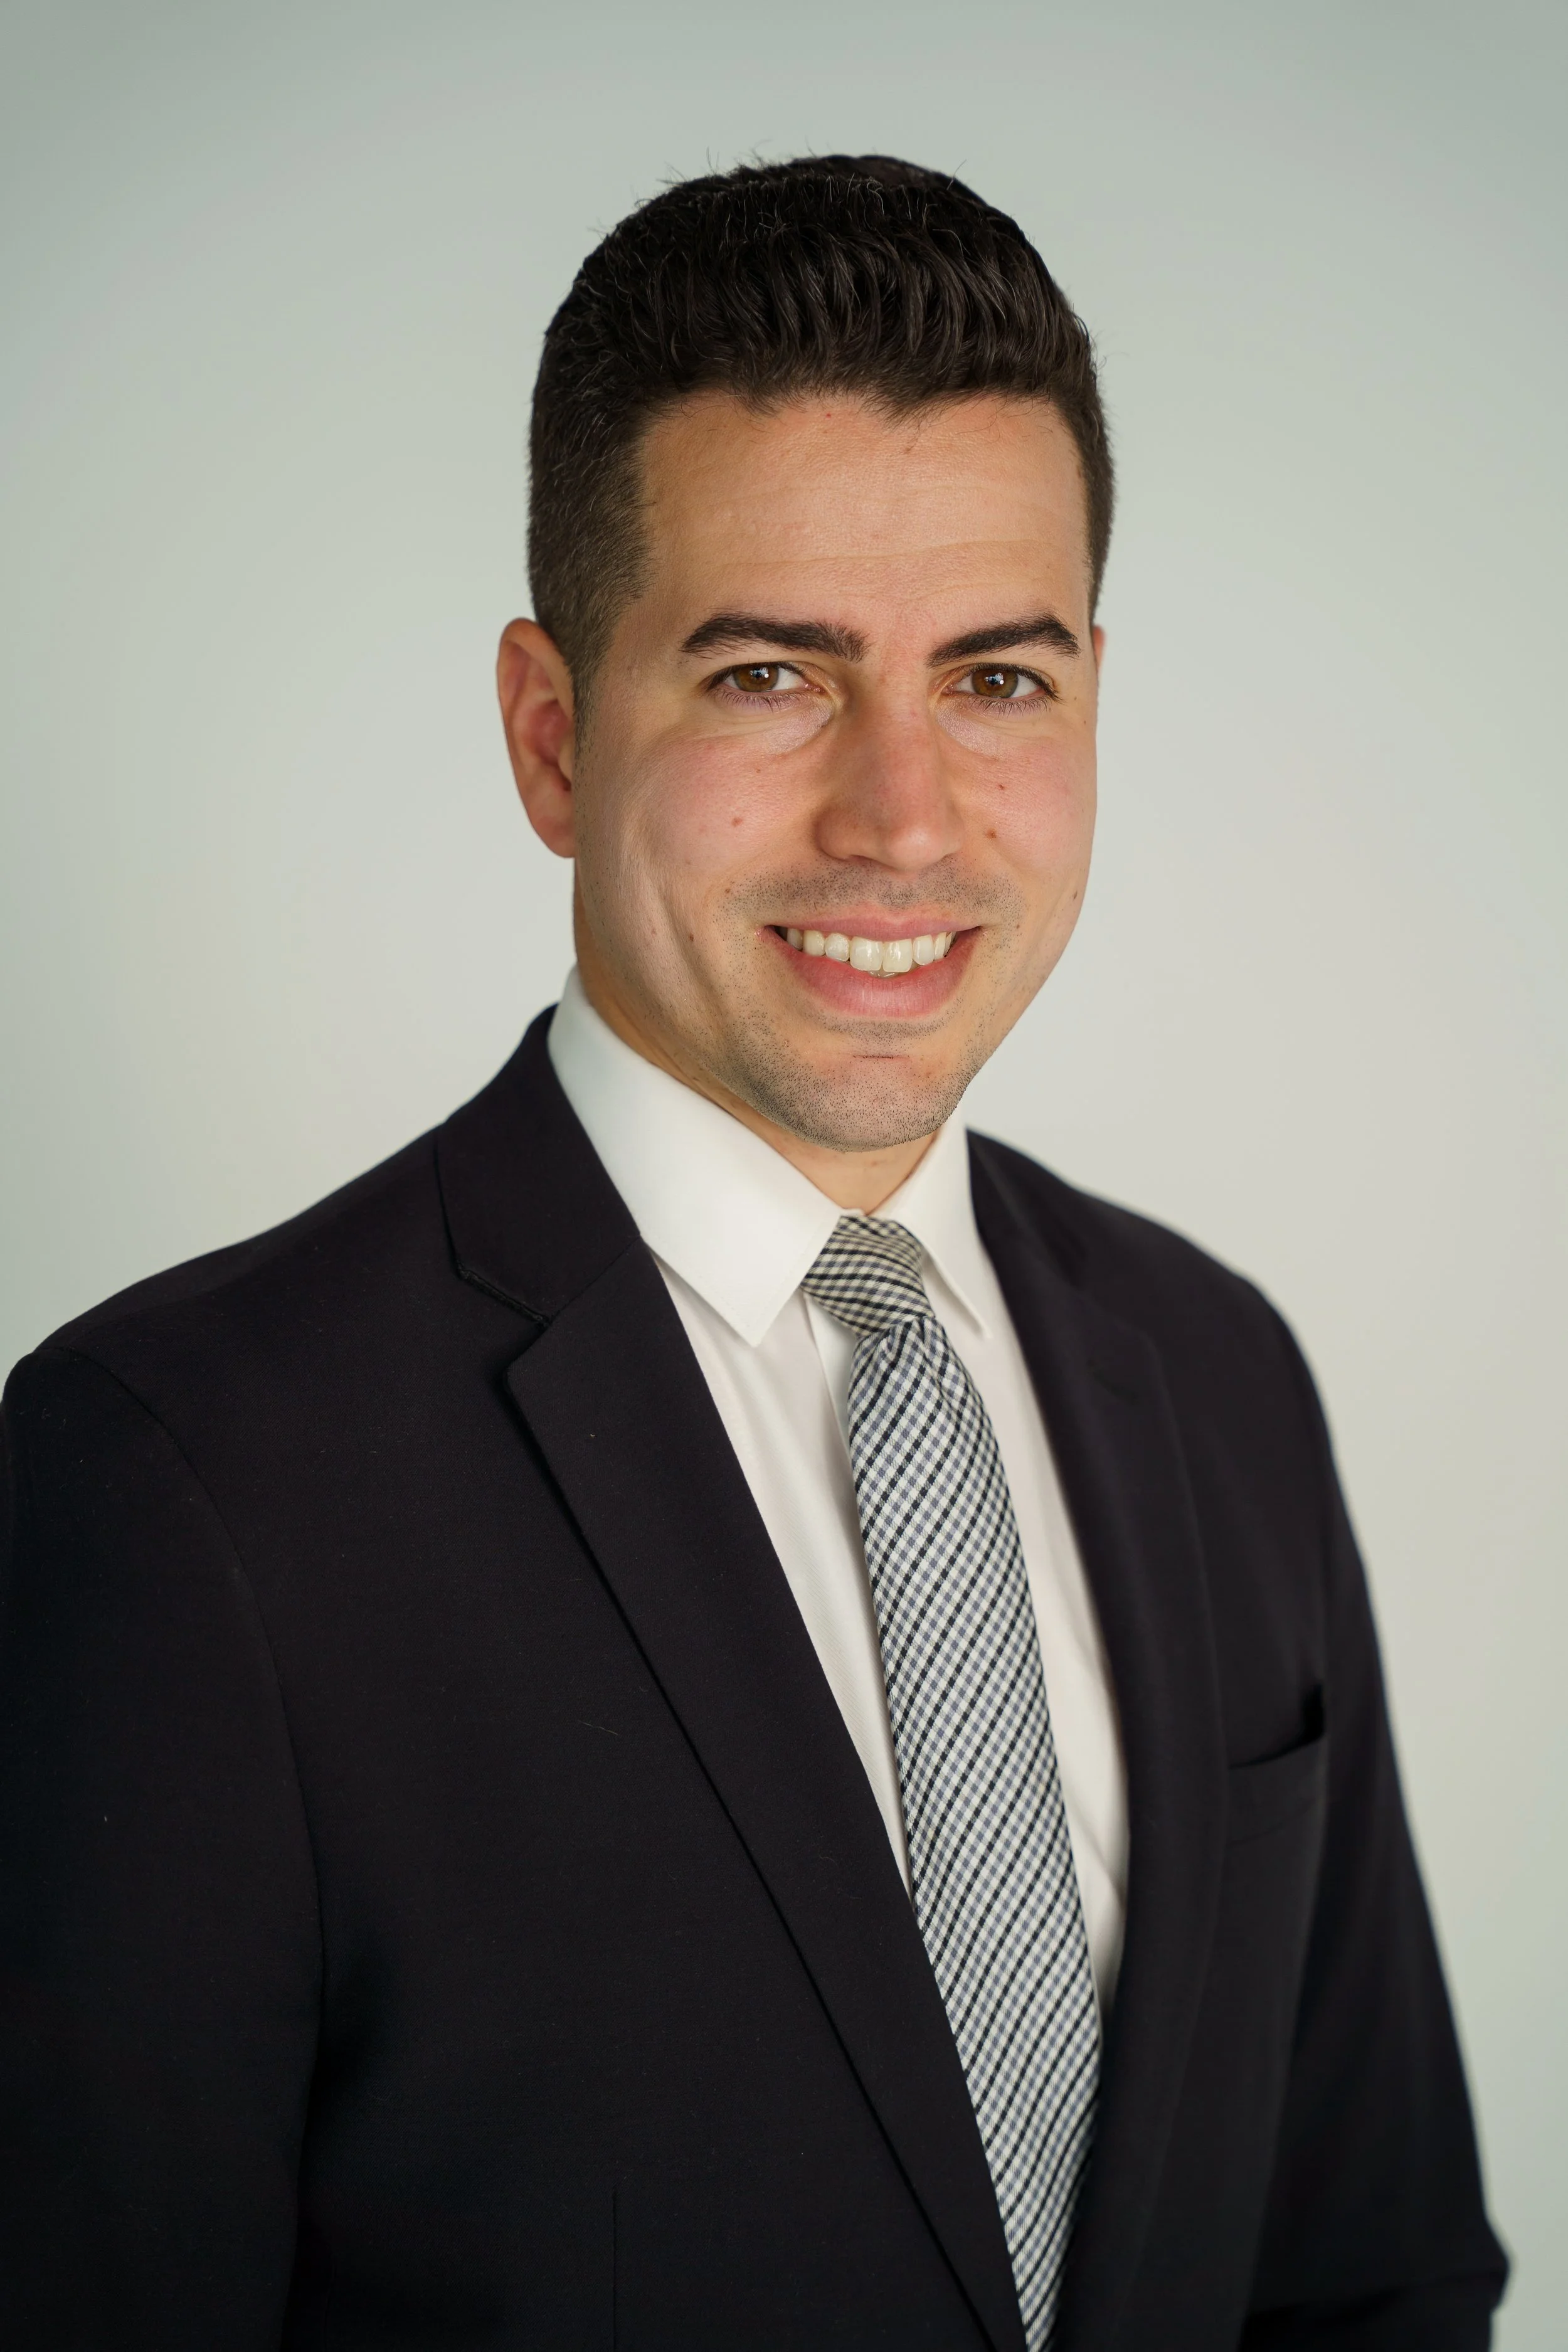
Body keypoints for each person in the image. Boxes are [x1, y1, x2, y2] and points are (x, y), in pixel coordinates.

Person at [0, 154, 1506, 2351]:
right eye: (770, 676)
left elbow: (1369, 2273)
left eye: (994, 679)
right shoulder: (180, 1479)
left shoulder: (1218, 1378)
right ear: (550, 733)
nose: (901, 816)